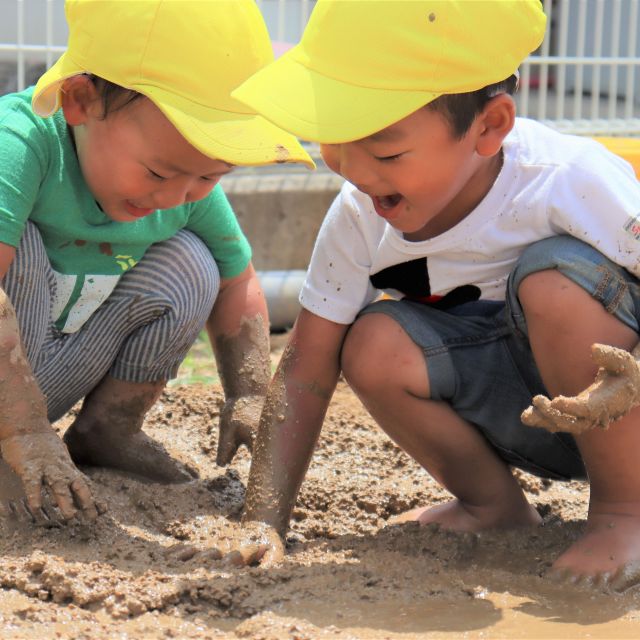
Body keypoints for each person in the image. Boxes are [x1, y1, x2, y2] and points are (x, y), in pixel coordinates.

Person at [222, 0, 640, 590]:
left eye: (387, 152)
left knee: (554, 282)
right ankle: (492, 507)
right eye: (335, 143)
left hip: (623, 407)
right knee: (370, 341)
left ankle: (625, 513)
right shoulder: (360, 217)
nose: (357, 173)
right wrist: (264, 520)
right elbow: (305, 371)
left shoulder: (568, 181)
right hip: (519, 417)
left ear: (490, 126)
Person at [0, 0, 314, 524]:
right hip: (14, 396)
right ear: (80, 101)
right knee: (20, 241)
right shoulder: (23, 142)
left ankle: (109, 429)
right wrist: (25, 431)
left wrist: (250, 395)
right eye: (158, 172)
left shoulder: (181, 185)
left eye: (209, 177)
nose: (179, 196)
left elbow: (240, 280)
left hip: (39, 378)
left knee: (194, 263)